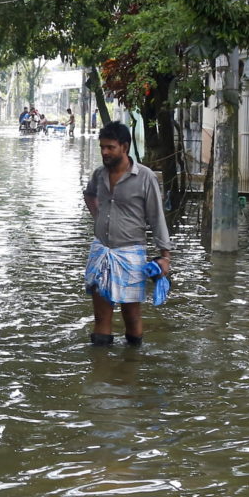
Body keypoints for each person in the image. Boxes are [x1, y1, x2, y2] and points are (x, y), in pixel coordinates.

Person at [83, 121, 171, 347]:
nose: (104, 152)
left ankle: (131, 365)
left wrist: (165, 256)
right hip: (101, 250)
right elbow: (89, 194)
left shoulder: (145, 177)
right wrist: (99, 218)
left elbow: (156, 217)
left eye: (110, 147)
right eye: (102, 147)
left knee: (131, 315)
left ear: (125, 147)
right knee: (101, 318)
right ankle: (101, 370)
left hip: (131, 252)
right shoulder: (99, 174)